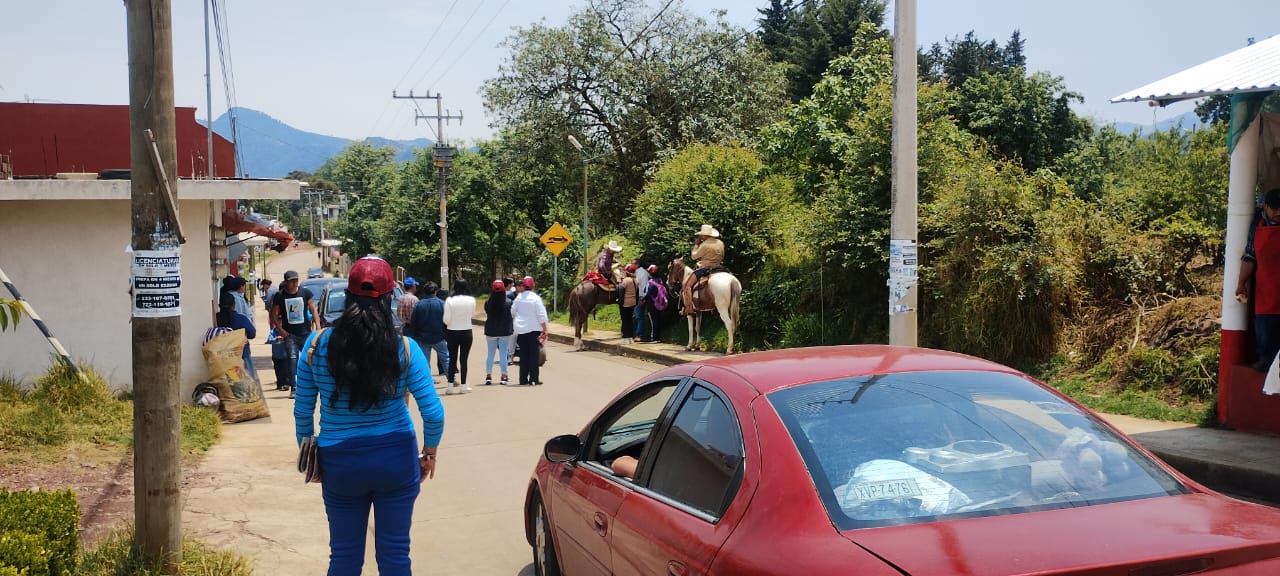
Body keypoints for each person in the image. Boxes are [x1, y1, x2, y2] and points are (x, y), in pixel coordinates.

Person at [293, 255, 445, 576]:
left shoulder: (315, 345)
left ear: (348, 296)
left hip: (339, 463)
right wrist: (429, 453)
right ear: (390, 297)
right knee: (394, 556)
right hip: (396, 460)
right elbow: (433, 413)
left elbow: (303, 413)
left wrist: (311, 460)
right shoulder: (405, 349)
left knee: (344, 557)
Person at [1236, 188, 1280, 371]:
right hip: (1266, 289)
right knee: (1265, 326)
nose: (1279, 213)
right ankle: (1264, 359)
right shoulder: (1257, 224)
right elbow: (1250, 256)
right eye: (1275, 208)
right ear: (1266, 206)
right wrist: (1241, 284)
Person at [271, 270, 320, 399]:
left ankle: (313, 385)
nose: (294, 283)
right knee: (292, 360)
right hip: (290, 334)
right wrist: (280, 330)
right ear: (286, 282)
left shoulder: (305, 293)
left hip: (305, 333)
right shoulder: (280, 296)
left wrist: (318, 329)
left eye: (296, 280)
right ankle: (294, 387)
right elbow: (273, 313)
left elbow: (313, 310)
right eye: (291, 281)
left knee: (310, 359)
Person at [208, 291, 257, 383]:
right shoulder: (241, 319)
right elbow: (252, 334)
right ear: (234, 305)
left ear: (219, 305)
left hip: (221, 358)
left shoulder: (215, 319)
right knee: (248, 383)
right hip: (242, 356)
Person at [511, 276, 548, 386]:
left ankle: (523, 379)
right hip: (534, 330)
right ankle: (534, 379)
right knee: (533, 355)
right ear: (533, 285)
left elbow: (512, 311)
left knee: (524, 354)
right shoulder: (536, 298)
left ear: (523, 285)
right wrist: (545, 329)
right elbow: (541, 315)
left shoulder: (518, 298)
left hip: (521, 330)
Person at [407, 281, 449, 379]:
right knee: (445, 358)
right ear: (435, 291)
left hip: (423, 338)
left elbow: (414, 323)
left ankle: (428, 379)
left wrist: (414, 337)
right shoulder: (442, 304)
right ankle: (451, 378)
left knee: (425, 360)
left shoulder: (418, 305)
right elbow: (447, 321)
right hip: (440, 337)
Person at [442, 279, 476, 394]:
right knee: (464, 359)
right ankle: (463, 385)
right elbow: (472, 314)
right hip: (466, 331)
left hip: (452, 331)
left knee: (452, 359)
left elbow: (446, 320)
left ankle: (450, 386)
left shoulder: (449, 300)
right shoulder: (471, 300)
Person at [683, 224, 725, 314]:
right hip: (720, 267)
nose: (700, 236)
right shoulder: (720, 243)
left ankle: (689, 308)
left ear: (705, 235)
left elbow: (694, 256)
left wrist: (696, 245)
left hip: (706, 269)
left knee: (687, 285)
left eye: (702, 235)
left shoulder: (704, 245)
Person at [483, 279, 513, 386]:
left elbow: (487, 312)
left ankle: (488, 376)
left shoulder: (488, 303)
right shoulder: (509, 302)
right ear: (504, 289)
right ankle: (504, 376)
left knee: (490, 354)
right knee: (503, 354)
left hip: (491, 331)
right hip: (504, 331)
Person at [640, 265, 663, 343]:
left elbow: (647, 293)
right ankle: (658, 337)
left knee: (653, 321)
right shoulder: (660, 280)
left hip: (651, 304)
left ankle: (654, 338)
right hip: (659, 303)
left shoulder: (650, 282)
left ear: (650, 273)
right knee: (658, 319)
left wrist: (643, 300)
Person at [619, 264, 638, 344]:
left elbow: (621, 292)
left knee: (625, 320)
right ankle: (630, 337)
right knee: (630, 320)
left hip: (625, 303)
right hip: (633, 303)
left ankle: (625, 337)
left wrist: (620, 302)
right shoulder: (636, 280)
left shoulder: (626, 280)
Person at [634, 258, 650, 340]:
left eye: (633, 264)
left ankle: (640, 334)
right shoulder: (643, 271)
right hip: (644, 295)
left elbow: (640, 284)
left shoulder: (639, 272)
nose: (632, 265)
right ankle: (643, 333)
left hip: (640, 295)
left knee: (639, 315)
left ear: (637, 264)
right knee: (642, 315)